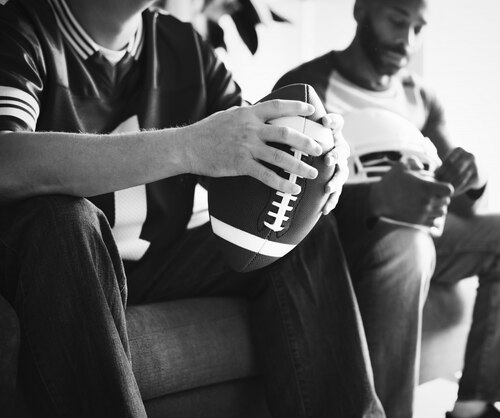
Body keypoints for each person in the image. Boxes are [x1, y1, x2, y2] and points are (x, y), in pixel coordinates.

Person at [0, 0, 386, 417]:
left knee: (295, 228)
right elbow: (7, 161)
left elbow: (247, 148)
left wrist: (315, 157)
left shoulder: (183, 43)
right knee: (64, 220)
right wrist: (188, 146)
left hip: (155, 262)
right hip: (56, 266)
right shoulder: (21, 28)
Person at [275, 0, 500, 417]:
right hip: (349, 235)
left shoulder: (420, 96)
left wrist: (475, 176)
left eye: (419, 27)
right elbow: (286, 202)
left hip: (426, 229)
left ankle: (474, 406)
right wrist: (376, 201)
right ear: (361, 10)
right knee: (406, 243)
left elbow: (467, 203)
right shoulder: (307, 86)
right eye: (398, 20)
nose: (408, 40)